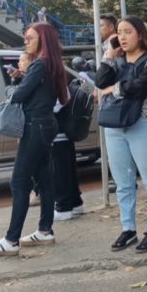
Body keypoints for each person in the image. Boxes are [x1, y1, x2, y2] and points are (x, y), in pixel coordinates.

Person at [0, 23, 67, 257]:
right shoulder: (50, 64)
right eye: (25, 38)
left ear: (42, 40)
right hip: (45, 124)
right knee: (43, 179)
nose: (26, 41)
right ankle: (45, 230)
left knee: (19, 181)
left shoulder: (39, 64)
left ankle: (11, 240)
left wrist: (14, 84)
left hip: (35, 126)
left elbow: (18, 96)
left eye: (30, 38)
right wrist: (24, 77)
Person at [94, 16, 147, 253]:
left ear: (140, 34)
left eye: (127, 32)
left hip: (144, 124)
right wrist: (109, 54)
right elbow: (99, 80)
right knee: (123, 183)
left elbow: (140, 86)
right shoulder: (116, 60)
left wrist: (111, 90)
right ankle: (128, 229)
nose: (122, 37)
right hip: (115, 126)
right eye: (119, 33)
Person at [52, 66, 87, 222]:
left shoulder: (52, 79)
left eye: (22, 61)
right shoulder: (58, 77)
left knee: (60, 172)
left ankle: (64, 206)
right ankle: (74, 203)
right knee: (67, 170)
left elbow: (57, 104)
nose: (20, 64)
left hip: (57, 133)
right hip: (62, 132)